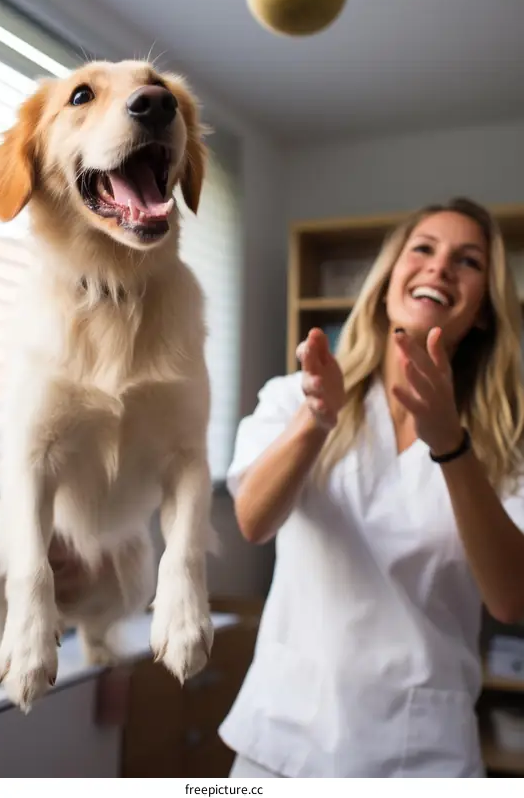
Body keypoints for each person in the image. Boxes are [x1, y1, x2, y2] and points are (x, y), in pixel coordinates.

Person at [219, 197, 524, 778]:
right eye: (424, 250)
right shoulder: (294, 395)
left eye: (468, 262)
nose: (440, 268)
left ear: (483, 309)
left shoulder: (509, 439)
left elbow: (511, 599)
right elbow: (253, 521)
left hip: (420, 752)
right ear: (389, 281)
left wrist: (451, 445)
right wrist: (317, 421)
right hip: (282, 740)